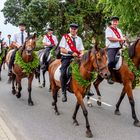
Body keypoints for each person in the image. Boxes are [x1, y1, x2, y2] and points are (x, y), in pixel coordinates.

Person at [59, 23, 84, 102]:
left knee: (85, 70)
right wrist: (71, 52)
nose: (73, 30)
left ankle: (87, 89)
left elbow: (81, 49)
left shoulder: (79, 39)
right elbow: (62, 49)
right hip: (66, 57)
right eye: (72, 28)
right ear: (70, 29)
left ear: (77, 30)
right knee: (63, 73)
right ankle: (63, 91)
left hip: (77, 58)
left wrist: (82, 54)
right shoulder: (65, 37)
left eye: (75, 29)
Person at [105, 16, 126, 84]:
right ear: (111, 22)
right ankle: (109, 76)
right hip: (111, 48)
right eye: (113, 21)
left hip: (119, 47)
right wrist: (120, 39)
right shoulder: (108, 29)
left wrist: (124, 42)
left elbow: (122, 39)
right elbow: (110, 39)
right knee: (111, 61)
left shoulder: (119, 30)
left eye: (116, 21)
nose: (115, 22)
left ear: (118, 22)